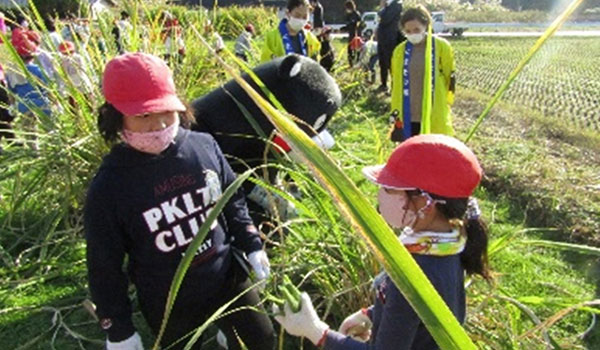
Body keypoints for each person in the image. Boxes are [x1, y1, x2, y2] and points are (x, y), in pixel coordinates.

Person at [85, 53, 275, 350]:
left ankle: (230, 337)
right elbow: (103, 265)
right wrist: (118, 328)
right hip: (168, 299)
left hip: (226, 275)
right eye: (143, 115)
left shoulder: (204, 146)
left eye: (166, 111)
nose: (158, 125)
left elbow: (232, 199)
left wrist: (252, 244)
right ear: (115, 115)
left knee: (261, 339)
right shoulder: (109, 186)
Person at [274, 133, 491, 350]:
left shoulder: (413, 276)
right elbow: (414, 314)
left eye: (389, 188)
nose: (380, 196)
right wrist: (371, 314)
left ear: (425, 203)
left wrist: (316, 331)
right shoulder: (451, 243)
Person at [390, 6, 456, 142]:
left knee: (434, 152)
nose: (412, 34)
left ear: (426, 26)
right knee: (411, 153)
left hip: (433, 109)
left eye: (416, 30)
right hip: (409, 112)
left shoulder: (441, 47)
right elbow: (396, 82)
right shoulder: (399, 52)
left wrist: (445, 100)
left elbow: (449, 77)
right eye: (408, 31)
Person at [341, 0, 361, 67]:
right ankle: (351, 64)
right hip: (351, 35)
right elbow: (348, 25)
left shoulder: (356, 14)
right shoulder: (348, 15)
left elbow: (358, 24)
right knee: (349, 50)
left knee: (356, 50)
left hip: (356, 35)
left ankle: (357, 63)